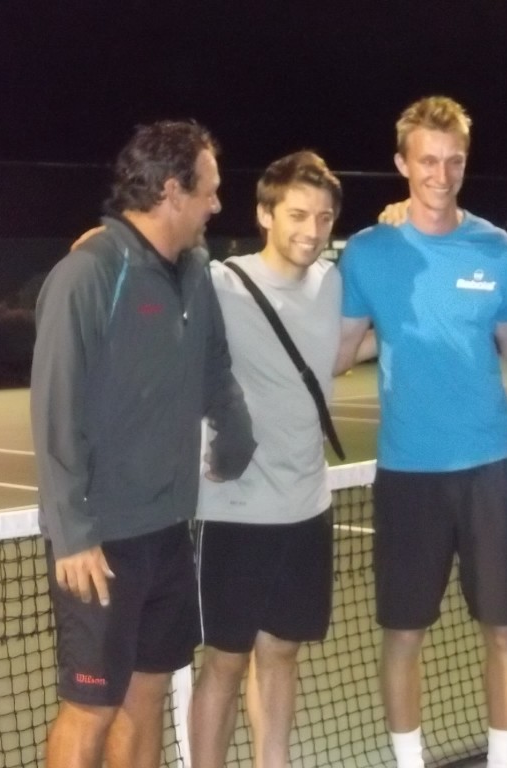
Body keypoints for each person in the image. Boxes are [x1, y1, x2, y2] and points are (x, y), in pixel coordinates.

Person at [30, 119, 255, 768]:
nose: (217, 204)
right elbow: (55, 405)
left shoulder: (195, 271)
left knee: (149, 693)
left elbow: (214, 367)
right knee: (92, 707)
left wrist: (236, 437)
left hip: (168, 529)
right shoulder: (90, 274)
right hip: (102, 540)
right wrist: (72, 531)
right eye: (208, 191)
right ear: (171, 192)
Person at [336, 96, 507, 768]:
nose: (440, 174)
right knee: (403, 634)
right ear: (402, 163)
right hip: (408, 475)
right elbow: (333, 351)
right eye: (427, 160)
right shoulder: (367, 251)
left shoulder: (500, 251)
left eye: (453, 161)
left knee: (504, 630)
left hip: (490, 471)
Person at [191, 150, 356, 768]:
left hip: (306, 507)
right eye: (295, 215)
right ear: (263, 213)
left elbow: (338, 352)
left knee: (282, 652)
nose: (311, 230)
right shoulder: (220, 283)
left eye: (322, 217)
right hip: (233, 510)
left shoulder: (334, 283)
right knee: (226, 662)